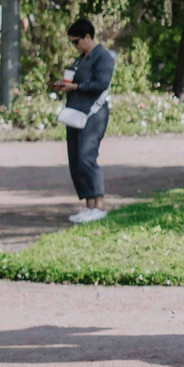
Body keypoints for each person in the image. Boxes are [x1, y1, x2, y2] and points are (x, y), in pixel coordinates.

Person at [49, 18, 115, 224]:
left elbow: (101, 84)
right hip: (75, 113)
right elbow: (72, 79)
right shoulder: (80, 60)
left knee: (87, 157)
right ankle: (89, 206)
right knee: (76, 160)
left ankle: (100, 206)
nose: (74, 46)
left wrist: (75, 88)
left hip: (93, 114)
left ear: (88, 37)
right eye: (71, 43)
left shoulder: (102, 57)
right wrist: (62, 85)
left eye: (76, 41)